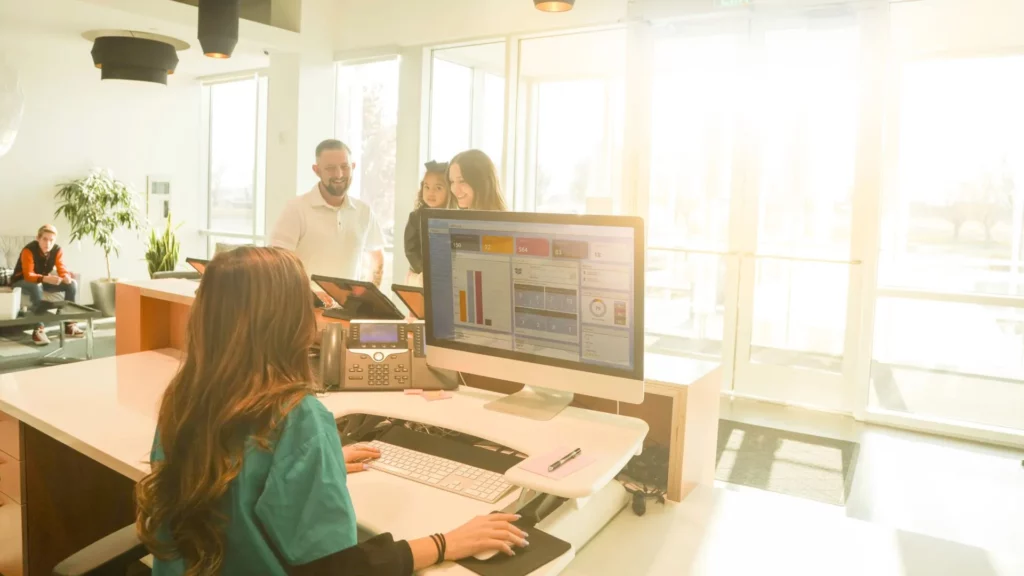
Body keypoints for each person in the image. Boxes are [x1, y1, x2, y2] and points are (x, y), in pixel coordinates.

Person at [135, 247, 527, 575]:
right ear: (287, 322)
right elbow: (337, 570)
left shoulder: (186, 398)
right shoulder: (297, 418)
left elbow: (233, 478)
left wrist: (314, 465)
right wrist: (447, 543)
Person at [270, 139, 385, 286]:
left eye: (345, 166)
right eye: (330, 168)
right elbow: (278, 263)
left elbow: (377, 258)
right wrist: (308, 297)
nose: (339, 174)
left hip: (348, 308)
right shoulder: (296, 208)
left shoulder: (364, 211)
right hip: (306, 306)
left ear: (353, 166)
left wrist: (367, 297)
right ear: (316, 170)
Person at [11, 224, 83, 345]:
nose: (48, 243)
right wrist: (46, 279)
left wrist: (66, 276)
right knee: (36, 286)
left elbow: (61, 267)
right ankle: (38, 329)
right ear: (38, 238)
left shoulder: (57, 250)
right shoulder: (28, 250)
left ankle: (69, 325)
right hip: (21, 281)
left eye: (51, 240)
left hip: (41, 281)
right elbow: (28, 275)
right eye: (45, 239)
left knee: (72, 285)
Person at [404, 160, 455, 285]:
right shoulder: (415, 217)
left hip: (446, 276)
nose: (430, 193)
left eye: (438, 188)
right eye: (427, 187)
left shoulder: (454, 218)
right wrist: (423, 270)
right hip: (419, 275)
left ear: (450, 190)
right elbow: (410, 249)